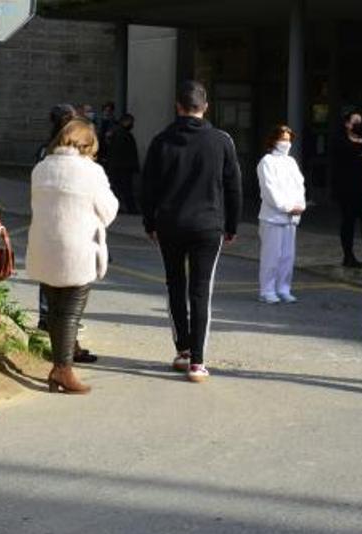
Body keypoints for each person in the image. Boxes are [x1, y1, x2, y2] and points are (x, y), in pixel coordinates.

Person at [140, 80, 243, 383]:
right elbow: (234, 186)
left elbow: (148, 187)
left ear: (178, 106)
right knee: (201, 291)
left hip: (170, 223)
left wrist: (150, 223)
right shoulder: (222, 140)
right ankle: (198, 361)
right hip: (208, 225)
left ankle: (182, 349)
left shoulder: (161, 141)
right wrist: (232, 225)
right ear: (205, 107)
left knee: (175, 284)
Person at [27, 120, 119, 394]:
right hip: (76, 250)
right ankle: (63, 370)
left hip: (45, 246)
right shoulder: (91, 171)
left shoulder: (41, 167)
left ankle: (59, 366)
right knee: (70, 312)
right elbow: (108, 211)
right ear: (87, 145)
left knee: (55, 310)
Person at [256, 124, 306, 304]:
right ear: (274, 141)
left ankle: (283, 288)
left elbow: (300, 185)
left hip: (291, 218)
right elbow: (269, 190)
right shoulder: (267, 161)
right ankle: (267, 290)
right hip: (273, 216)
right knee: (272, 255)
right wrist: (286, 206)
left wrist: (300, 205)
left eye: (288, 139)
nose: (286, 143)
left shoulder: (291, 162)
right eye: (282, 139)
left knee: (287, 256)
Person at [333, 110, 362, 267]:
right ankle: (348, 255)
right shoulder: (340, 140)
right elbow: (347, 154)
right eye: (355, 122)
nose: (359, 126)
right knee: (348, 222)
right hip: (347, 188)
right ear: (347, 124)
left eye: (361, 123)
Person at [104, 113, 140, 214]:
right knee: (126, 189)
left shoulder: (116, 132)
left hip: (117, 166)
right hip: (123, 167)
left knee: (118, 189)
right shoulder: (122, 134)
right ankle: (131, 209)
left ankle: (121, 208)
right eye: (131, 122)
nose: (132, 124)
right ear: (126, 122)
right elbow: (126, 152)